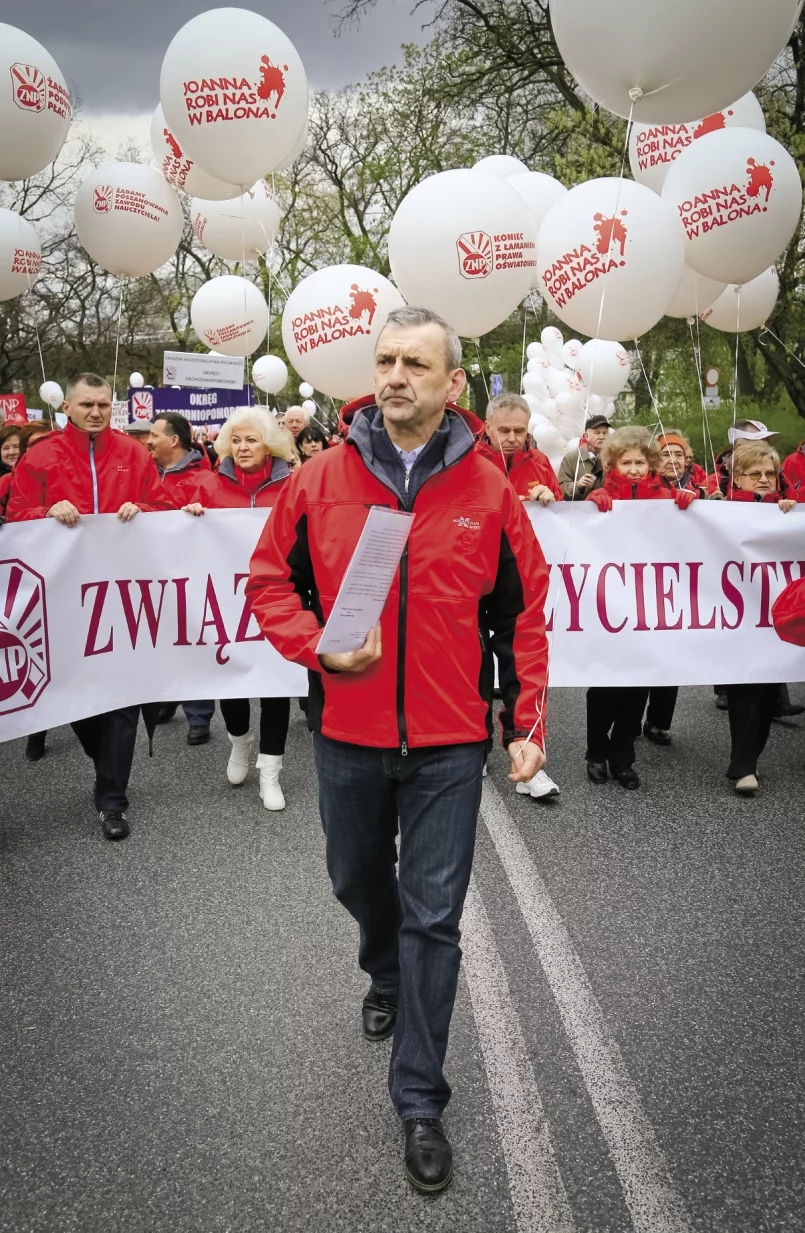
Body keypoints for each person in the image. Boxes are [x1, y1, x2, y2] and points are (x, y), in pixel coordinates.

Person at [246, 305, 549, 1193]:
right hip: (347, 733)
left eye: (414, 362)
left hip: (450, 743)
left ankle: (418, 1096)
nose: (393, 375)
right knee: (355, 879)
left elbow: (524, 609)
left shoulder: (488, 489)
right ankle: (379, 968)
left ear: (452, 384)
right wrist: (315, 643)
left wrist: (523, 724)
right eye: (383, 360)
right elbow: (268, 580)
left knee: (434, 917)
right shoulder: (320, 479)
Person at [7, 373, 172, 840]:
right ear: (69, 408)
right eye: (87, 405)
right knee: (76, 697)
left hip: (120, 600)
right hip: (60, 601)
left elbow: (162, 506)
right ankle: (105, 763)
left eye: (103, 404)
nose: (96, 412)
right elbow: (15, 515)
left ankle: (112, 801)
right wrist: (44, 513)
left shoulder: (134, 454)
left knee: (119, 701)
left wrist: (144, 511)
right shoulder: (41, 456)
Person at [183, 406, 296, 810]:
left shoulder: (291, 485)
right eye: (237, 440)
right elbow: (181, 543)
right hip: (227, 605)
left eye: (252, 439)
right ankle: (239, 742)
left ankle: (270, 772)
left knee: (275, 687)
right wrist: (192, 517)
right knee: (231, 682)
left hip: (279, 600)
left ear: (270, 445)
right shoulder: (209, 486)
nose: (243, 447)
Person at [584, 426, 696, 788]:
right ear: (612, 463)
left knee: (637, 688)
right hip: (609, 609)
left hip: (649, 610)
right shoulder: (599, 496)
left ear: (651, 464)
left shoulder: (666, 497)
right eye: (625, 462)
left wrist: (686, 504)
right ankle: (596, 752)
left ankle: (622, 759)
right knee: (604, 687)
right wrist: (592, 504)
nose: (633, 469)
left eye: (639, 462)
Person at [476, 392, 561, 800]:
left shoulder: (540, 462)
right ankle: (474, 749)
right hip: (474, 570)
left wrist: (550, 496)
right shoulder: (468, 458)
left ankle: (528, 748)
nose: (511, 438)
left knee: (521, 663)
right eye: (504, 430)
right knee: (472, 664)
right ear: (488, 425)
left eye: (519, 431)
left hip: (520, 574)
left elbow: (563, 517)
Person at [721, 444, 797, 793]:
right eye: (756, 475)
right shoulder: (720, 510)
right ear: (738, 477)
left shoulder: (786, 511)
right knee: (746, 686)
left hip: (775, 616)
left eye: (770, 474)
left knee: (768, 693)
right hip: (736, 618)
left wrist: (791, 514)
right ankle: (743, 766)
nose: (765, 480)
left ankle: (748, 756)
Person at [146, 412, 215, 745]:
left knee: (192, 640)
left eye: (154, 434)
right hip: (150, 573)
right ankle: (169, 694)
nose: (147, 440)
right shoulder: (144, 474)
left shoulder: (204, 480)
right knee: (159, 637)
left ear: (173, 440)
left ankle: (199, 714)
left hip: (190, 575)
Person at [557, 415, 608, 500]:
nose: (602, 437)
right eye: (597, 433)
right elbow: (560, 489)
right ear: (586, 436)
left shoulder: (613, 458)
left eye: (605, 433)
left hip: (608, 510)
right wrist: (578, 485)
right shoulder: (572, 458)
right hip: (579, 511)